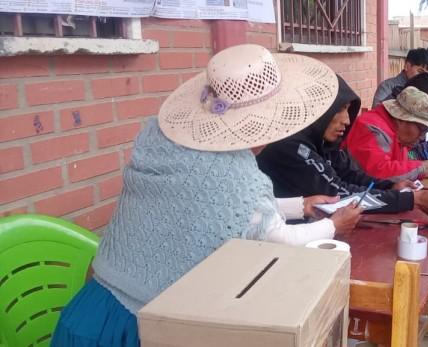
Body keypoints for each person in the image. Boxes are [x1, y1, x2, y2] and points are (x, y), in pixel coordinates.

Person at [51, 44, 363, 346]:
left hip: (87, 311)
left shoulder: (162, 141)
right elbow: (275, 238)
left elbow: (219, 206)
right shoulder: (235, 171)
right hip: (135, 327)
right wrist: (333, 226)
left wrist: (300, 206)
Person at [257, 74, 428, 221]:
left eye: (348, 110)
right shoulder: (292, 146)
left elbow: (350, 174)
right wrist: (409, 199)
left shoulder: (323, 141)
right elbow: (338, 193)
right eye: (339, 110)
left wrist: (390, 187)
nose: (347, 120)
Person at [343, 83, 428, 181]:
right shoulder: (372, 128)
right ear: (401, 119)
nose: (422, 137)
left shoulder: (397, 132)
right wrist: (420, 169)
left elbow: (400, 162)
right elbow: (377, 172)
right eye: (422, 129)